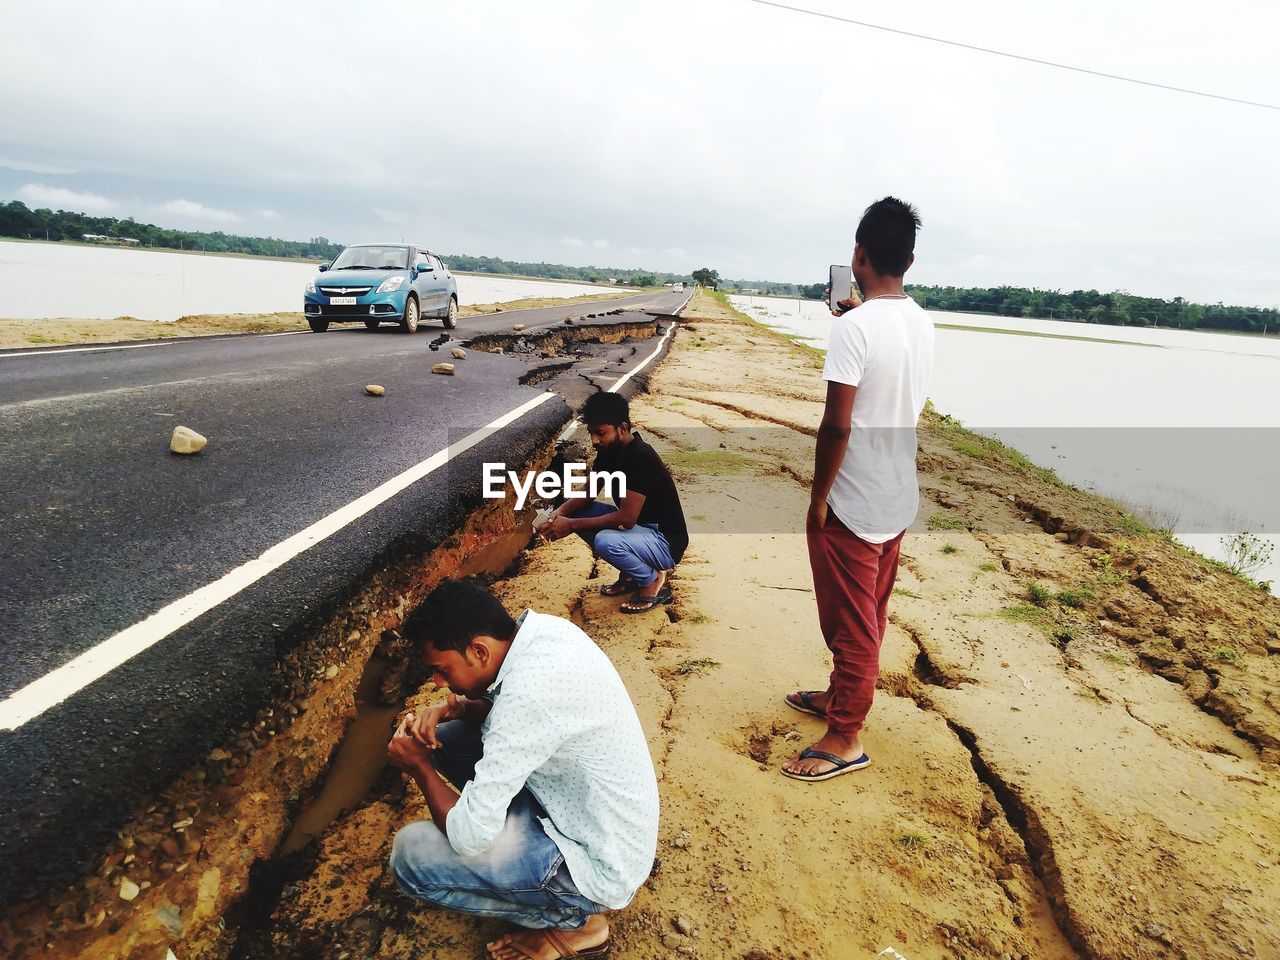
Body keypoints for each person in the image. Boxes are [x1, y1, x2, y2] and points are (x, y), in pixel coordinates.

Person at [387, 578, 659, 959]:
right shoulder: (544, 633)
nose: (437, 682)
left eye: (442, 671)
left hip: (601, 864)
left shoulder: (528, 697)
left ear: (479, 650)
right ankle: (536, 862)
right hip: (596, 815)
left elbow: (467, 837)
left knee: (410, 858)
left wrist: (419, 768)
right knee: (447, 738)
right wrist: (458, 707)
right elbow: (520, 720)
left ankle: (578, 921)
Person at [782, 197, 935, 783]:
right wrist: (857, 314)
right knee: (869, 612)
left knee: (853, 625)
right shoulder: (920, 322)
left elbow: (838, 424)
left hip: (853, 502)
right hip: (895, 496)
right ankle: (838, 695)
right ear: (911, 261)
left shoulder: (854, 328)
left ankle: (846, 734)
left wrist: (818, 498)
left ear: (858, 254)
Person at [535, 392, 689, 614]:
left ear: (622, 428)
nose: (594, 441)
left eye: (600, 433)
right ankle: (630, 576)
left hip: (664, 541)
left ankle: (651, 581)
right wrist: (557, 515)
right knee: (579, 513)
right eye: (591, 433)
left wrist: (570, 525)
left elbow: (626, 520)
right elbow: (588, 493)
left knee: (606, 541)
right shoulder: (609, 452)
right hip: (642, 533)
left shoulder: (640, 457)